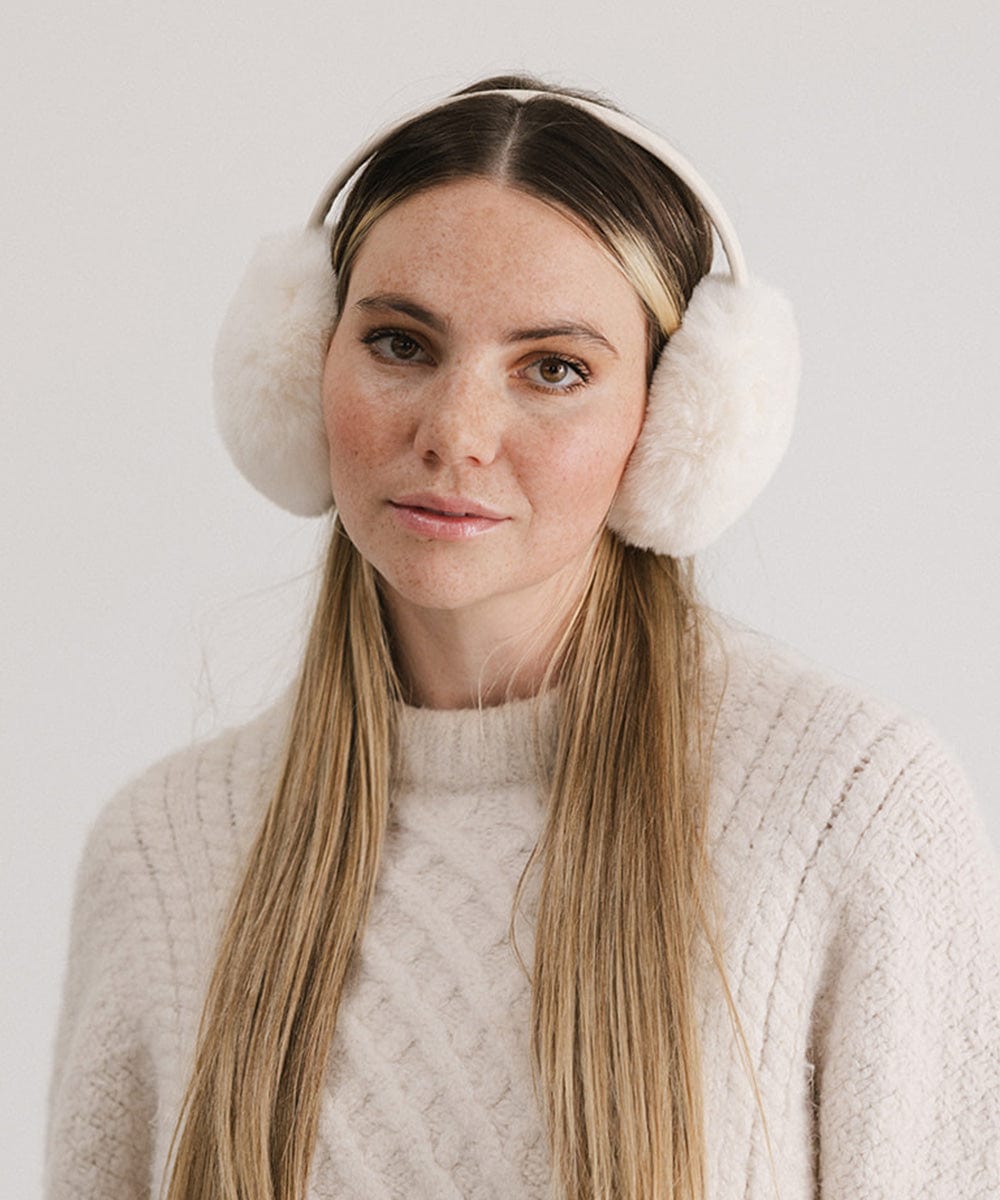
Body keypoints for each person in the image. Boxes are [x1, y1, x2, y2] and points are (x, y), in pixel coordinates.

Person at [44, 74, 1000, 1200]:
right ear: (301, 368)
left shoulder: (849, 812)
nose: (456, 434)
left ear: (677, 425)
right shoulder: (164, 853)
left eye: (554, 368)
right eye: (400, 343)